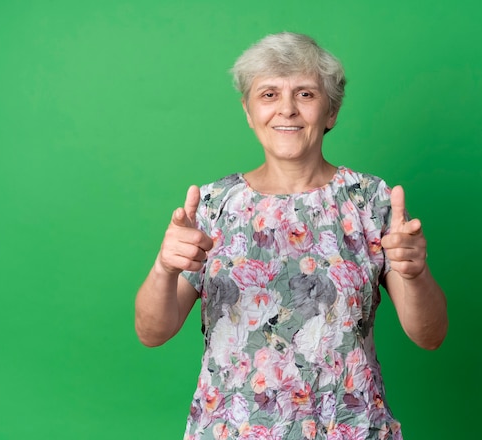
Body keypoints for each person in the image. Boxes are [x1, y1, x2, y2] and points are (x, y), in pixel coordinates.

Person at [135, 32, 448, 440]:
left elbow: (430, 335)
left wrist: (415, 273)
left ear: (330, 112)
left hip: (348, 429)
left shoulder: (370, 200)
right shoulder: (214, 205)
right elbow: (152, 332)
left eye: (305, 94)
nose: (286, 109)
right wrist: (163, 267)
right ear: (248, 111)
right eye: (268, 95)